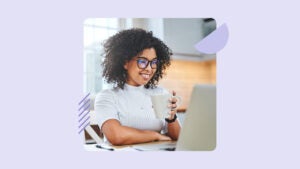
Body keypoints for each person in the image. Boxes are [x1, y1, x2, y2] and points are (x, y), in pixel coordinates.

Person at [94, 28, 181, 146]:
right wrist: (154, 135)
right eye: (142, 61)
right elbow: (116, 136)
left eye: (154, 62)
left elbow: (177, 137)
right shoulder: (107, 97)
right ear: (125, 62)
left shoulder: (160, 93)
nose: (149, 68)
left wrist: (172, 118)